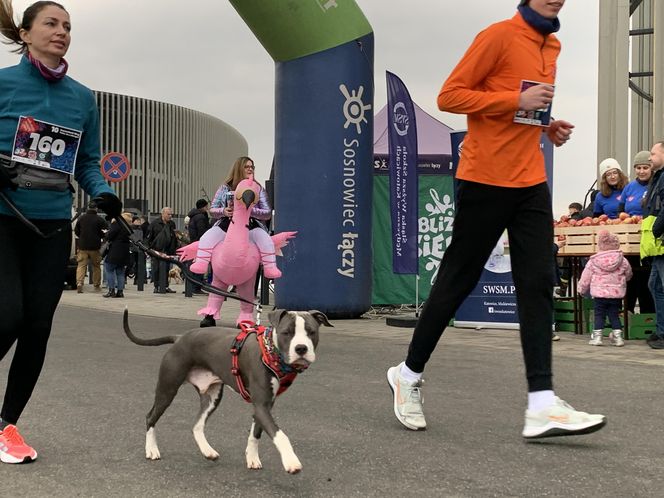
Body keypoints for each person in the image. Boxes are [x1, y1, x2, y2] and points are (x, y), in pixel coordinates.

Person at [386, 0, 606, 439]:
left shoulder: (552, 45)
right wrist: (515, 99)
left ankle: (542, 403)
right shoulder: (497, 36)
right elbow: (450, 95)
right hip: (485, 178)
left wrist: (545, 126)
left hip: (529, 180)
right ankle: (407, 376)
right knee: (457, 280)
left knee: (539, 281)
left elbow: (521, 113)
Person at [0, 0, 122, 463]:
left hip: (52, 225)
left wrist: (103, 192)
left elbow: (87, 163)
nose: (62, 31)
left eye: (68, 26)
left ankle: (5, 426)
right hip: (4, 219)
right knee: (7, 315)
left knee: (38, 326)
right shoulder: (4, 83)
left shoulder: (81, 98)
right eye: (51, 23)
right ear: (26, 33)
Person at [189, 156, 280, 279]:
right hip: (226, 224)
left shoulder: (258, 188)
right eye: (246, 167)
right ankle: (201, 262)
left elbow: (267, 212)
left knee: (266, 240)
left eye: (252, 167)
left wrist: (249, 211)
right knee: (207, 237)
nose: (250, 169)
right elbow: (212, 209)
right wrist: (224, 211)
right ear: (239, 168)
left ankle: (270, 267)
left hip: (251, 225)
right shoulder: (225, 187)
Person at [578, 230, 632, 346]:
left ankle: (597, 338)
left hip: (599, 294)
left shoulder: (593, 261)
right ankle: (618, 338)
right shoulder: (622, 260)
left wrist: (581, 290)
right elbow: (628, 274)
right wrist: (624, 280)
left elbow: (585, 277)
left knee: (599, 315)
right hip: (615, 294)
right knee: (614, 314)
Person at [620, 150, 654, 314]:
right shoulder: (628, 188)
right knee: (630, 277)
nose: (641, 171)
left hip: (649, 239)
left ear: (651, 168)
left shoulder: (656, 184)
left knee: (648, 278)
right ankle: (628, 312)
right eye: (638, 167)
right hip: (630, 242)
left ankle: (649, 315)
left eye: (645, 167)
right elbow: (620, 212)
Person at [643, 141, 664, 349]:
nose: (650, 158)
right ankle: (661, 332)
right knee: (654, 285)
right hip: (657, 244)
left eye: (653, 153)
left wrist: (657, 229)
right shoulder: (658, 177)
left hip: (661, 240)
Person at [73, 200, 107, 293]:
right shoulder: (100, 219)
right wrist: (99, 236)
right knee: (96, 266)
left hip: (83, 246)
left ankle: (79, 283)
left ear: (88, 207)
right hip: (95, 247)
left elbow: (76, 231)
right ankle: (96, 285)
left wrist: (82, 237)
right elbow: (105, 232)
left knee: (81, 265)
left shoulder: (81, 218)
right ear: (96, 208)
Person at [146, 206, 177, 294]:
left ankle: (165, 286)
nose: (170, 216)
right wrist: (148, 249)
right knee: (156, 268)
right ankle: (157, 286)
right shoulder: (155, 223)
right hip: (157, 250)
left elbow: (173, 236)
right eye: (168, 214)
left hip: (168, 250)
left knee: (167, 268)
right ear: (162, 214)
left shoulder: (171, 224)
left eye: (171, 214)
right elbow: (149, 236)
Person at [102, 212, 132, 298]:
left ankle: (111, 290)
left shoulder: (117, 224)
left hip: (115, 249)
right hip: (125, 251)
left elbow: (110, 235)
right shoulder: (129, 227)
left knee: (109, 268)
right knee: (120, 272)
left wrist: (106, 233)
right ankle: (120, 292)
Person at [186, 198, 210, 294]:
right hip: (199, 244)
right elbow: (202, 231)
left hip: (193, 242)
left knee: (193, 264)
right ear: (203, 206)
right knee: (199, 265)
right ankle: (196, 287)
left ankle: (192, 286)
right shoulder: (200, 217)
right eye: (206, 206)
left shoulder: (193, 216)